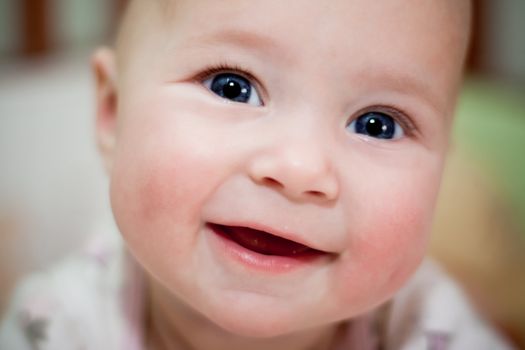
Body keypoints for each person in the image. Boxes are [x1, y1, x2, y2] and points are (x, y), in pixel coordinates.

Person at [0, 0, 516, 349]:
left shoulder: (430, 328)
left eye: (377, 125)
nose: (299, 170)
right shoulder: (59, 325)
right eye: (232, 86)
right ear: (113, 113)